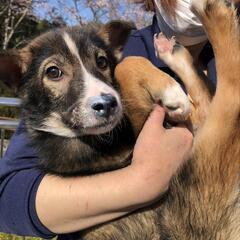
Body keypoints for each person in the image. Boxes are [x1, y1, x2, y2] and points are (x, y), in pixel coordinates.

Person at [0, 0, 208, 239]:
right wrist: (143, 181)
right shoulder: (132, 53)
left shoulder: (227, 62)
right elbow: (6, 196)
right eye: (55, 72)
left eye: (100, 63)